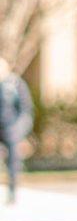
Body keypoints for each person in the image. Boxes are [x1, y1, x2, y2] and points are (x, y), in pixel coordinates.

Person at [0, 57, 35, 206]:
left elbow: (26, 110)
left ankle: (12, 193)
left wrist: (18, 129)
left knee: (13, 162)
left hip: (10, 129)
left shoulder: (15, 84)